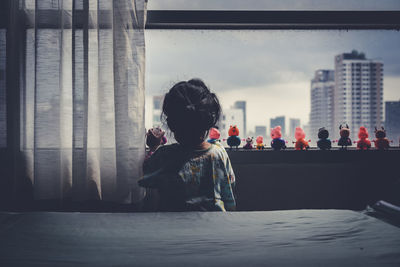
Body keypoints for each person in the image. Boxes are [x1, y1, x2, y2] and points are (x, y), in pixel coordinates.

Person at [138, 79, 236, 212]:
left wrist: (154, 148)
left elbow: (147, 175)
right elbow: (230, 184)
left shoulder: (165, 155)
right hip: (214, 223)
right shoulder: (218, 153)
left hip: (172, 225)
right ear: (208, 122)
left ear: (172, 125)